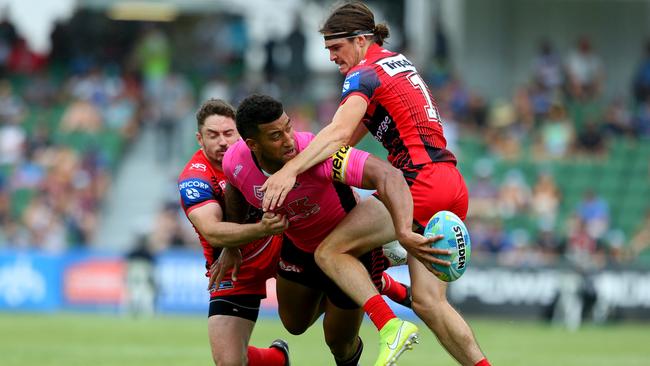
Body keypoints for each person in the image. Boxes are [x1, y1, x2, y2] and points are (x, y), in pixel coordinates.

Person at [260, 2, 491, 366]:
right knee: (429, 303)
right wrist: (309, 163)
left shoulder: (363, 74)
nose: (333, 57)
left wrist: (288, 172)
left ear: (361, 39)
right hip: (449, 181)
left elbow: (336, 133)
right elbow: (354, 134)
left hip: (418, 184)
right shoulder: (397, 62)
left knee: (330, 252)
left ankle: (389, 325)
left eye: (336, 47)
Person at [220, 94, 425, 366]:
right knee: (294, 324)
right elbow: (234, 184)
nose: (288, 139)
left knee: (339, 344)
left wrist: (403, 231)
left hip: (347, 252)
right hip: (300, 247)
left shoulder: (316, 154)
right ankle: (380, 283)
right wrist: (232, 245)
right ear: (252, 144)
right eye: (276, 136)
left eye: (288, 127)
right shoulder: (235, 159)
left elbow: (387, 175)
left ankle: (373, 275)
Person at [177, 99, 290, 366]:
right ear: (199, 139)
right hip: (234, 268)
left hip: (283, 248)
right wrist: (260, 229)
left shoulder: (263, 152)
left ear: (241, 134)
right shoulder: (195, 178)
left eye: (229, 134)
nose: (222, 142)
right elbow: (213, 232)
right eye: (212, 135)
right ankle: (277, 359)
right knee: (229, 363)